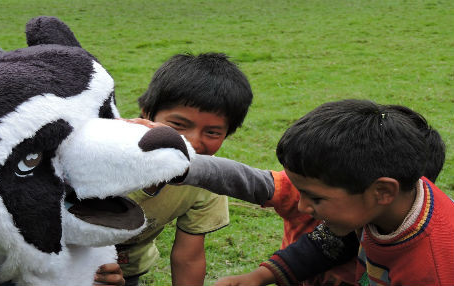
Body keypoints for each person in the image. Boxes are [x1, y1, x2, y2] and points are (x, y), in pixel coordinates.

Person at [176, 100, 447, 285]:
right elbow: (328, 244)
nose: (303, 207)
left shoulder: (432, 270)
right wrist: (260, 276)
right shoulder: (389, 204)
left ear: (383, 191)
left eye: (315, 198)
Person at [95, 52, 254, 286]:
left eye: (212, 132)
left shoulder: (207, 180)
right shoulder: (100, 155)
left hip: (128, 271)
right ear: (147, 112)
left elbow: (188, 258)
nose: (192, 142)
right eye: (178, 125)